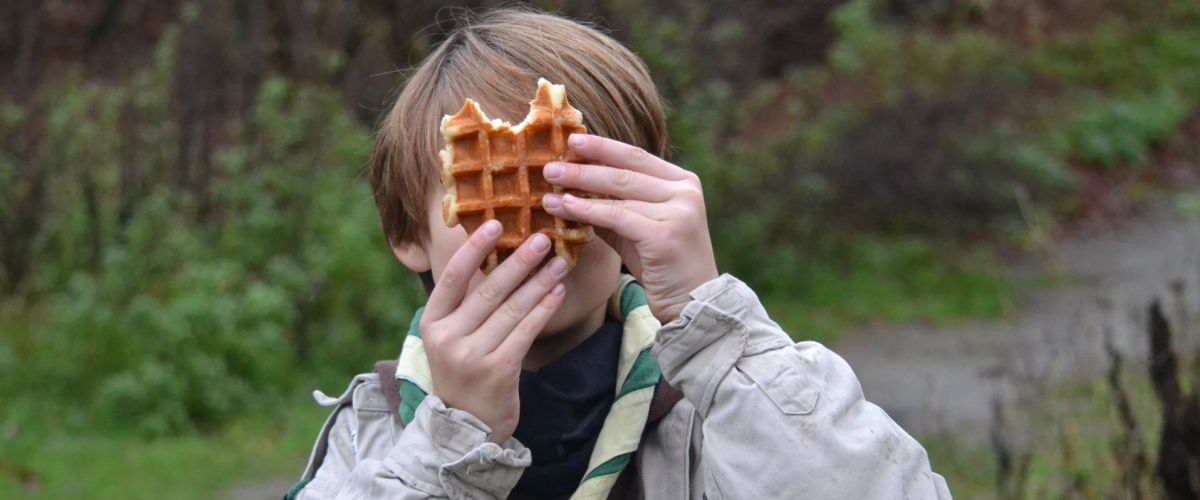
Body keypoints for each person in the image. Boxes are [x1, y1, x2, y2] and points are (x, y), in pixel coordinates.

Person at [288, 7, 951, 500]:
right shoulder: (371, 438)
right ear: (408, 234)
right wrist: (451, 445)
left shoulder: (718, 407)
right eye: (481, 195)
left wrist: (717, 332)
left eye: (577, 177)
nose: (544, 218)